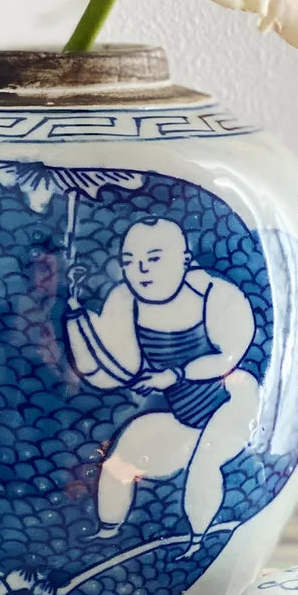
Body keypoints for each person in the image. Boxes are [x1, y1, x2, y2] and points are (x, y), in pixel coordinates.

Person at [65, 217, 260, 557]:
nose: (141, 271)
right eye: (130, 262)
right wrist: (75, 320)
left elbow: (227, 357)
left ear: (185, 259)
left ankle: (197, 542)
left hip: (231, 403)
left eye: (154, 259)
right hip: (183, 415)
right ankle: (108, 531)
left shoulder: (214, 294)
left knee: (204, 462)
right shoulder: (126, 302)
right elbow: (110, 369)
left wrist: (176, 375)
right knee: (119, 460)